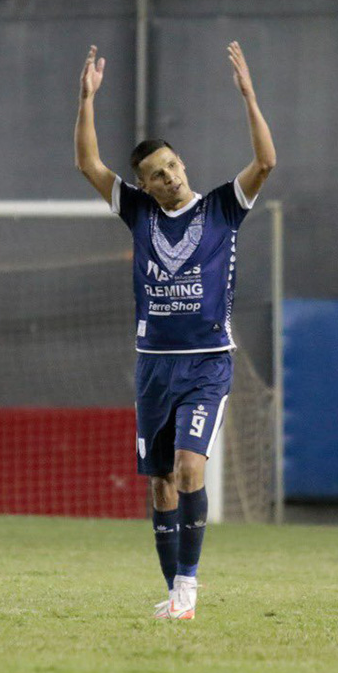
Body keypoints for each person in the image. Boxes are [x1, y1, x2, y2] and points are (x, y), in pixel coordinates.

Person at [74, 42, 276, 620]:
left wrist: (249, 96)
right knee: (160, 482)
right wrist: (86, 100)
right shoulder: (137, 211)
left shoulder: (222, 208)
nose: (168, 178)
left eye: (172, 166)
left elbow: (265, 163)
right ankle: (174, 593)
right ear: (145, 184)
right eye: (155, 175)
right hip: (153, 364)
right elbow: (89, 165)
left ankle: (187, 588)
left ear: (183, 163)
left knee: (190, 466)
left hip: (208, 360)